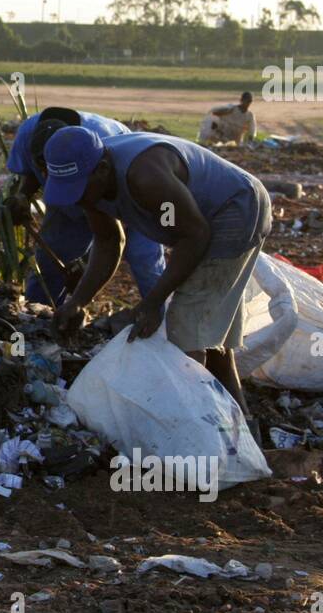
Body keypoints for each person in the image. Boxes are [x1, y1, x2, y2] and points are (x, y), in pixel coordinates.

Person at [43, 126, 272, 447]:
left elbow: (195, 235)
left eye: (79, 188)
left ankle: (197, 439)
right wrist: (78, 301)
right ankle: (243, 435)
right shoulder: (89, 179)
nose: (77, 198)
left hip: (235, 208)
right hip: (202, 223)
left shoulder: (144, 177)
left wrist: (152, 301)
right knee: (210, 338)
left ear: (104, 169)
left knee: (185, 333)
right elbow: (108, 241)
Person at [6, 106, 165, 306]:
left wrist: (87, 265)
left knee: (143, 259)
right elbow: (29, 171)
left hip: (128, 196)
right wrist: (23, 195)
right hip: (69, 196)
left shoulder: (101, 144)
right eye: (43, 168)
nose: (46, 177)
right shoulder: (27, 135)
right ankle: (40, 317)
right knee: (50, 259)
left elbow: (113, 233)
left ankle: (163, 324)